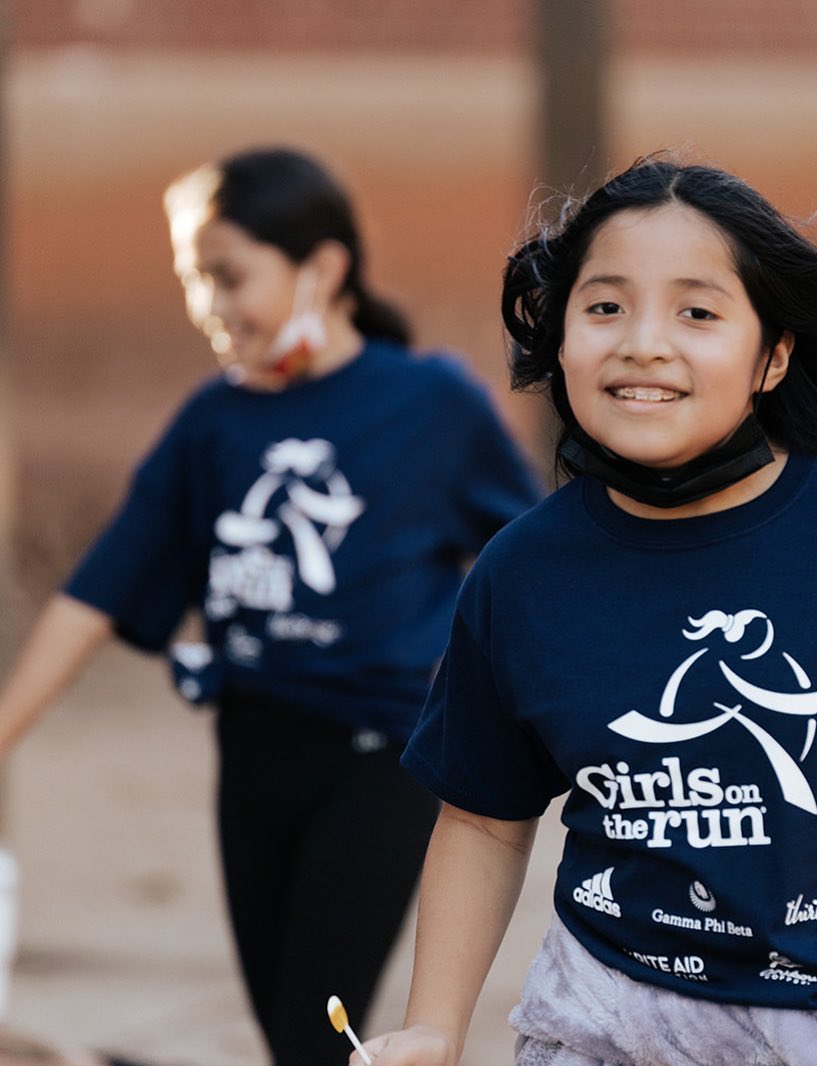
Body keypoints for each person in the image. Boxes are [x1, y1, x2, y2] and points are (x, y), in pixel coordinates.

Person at [362, 157, 817, 1066]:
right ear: (562, 340)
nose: (643, 342)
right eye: (605, 306)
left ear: (772, 355)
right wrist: (434, 1026)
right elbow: (484, 821)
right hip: (612, 1011)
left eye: (697, 312)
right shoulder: (521, 573)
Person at [0, 146, 540, 1066]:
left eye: (228, 276)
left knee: (307, 1036)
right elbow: (96, 591)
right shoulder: (212, 423)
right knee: (294, 1040)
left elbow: (534, 565)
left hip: (381, 760)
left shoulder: (432, 404)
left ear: (322, 269)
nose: (209, 304)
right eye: (191, 279)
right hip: (251, 752)